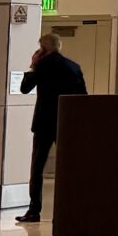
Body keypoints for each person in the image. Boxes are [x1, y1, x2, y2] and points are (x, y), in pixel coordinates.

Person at [15, 33, 87, 223]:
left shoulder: (42, 66)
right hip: (66, 123)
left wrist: (33, 66)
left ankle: (34, 210)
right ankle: (72, 208)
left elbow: (24, 88)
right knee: (70, 166)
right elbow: (83, 98)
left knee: (37, 168)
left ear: (43, 48)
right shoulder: (73, 67)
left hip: (44, 123)